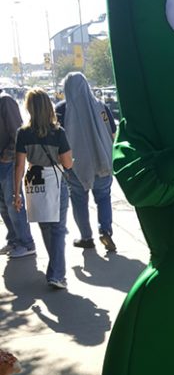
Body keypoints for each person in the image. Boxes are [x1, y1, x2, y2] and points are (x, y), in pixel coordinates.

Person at [14, 88, 73, 290]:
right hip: (54, 179)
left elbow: (19, 166)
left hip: (33, 180)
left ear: (29, 108)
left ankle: (55, 270)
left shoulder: (22, 133)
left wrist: (16, 194)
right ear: (48, 107)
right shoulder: (58, 132)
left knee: (46, 227)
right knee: (57, 228)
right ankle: (56, 274)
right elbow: (68, 164)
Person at [57, 72, 116, 252]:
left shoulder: (61, 109)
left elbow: (57, 139)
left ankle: (86, 237)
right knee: (103, 198)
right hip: (102, 161)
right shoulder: (101, 107)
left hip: (75, 165)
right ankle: (105, 230)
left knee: (79, 201)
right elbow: (113, 134)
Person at [0, 93, 36, 258]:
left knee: (14, 202)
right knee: (3, 205)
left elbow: (17, 133)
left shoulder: (5, 101)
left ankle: (26, 243)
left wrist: (6, 156)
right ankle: (14, 239)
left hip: (8, 161)